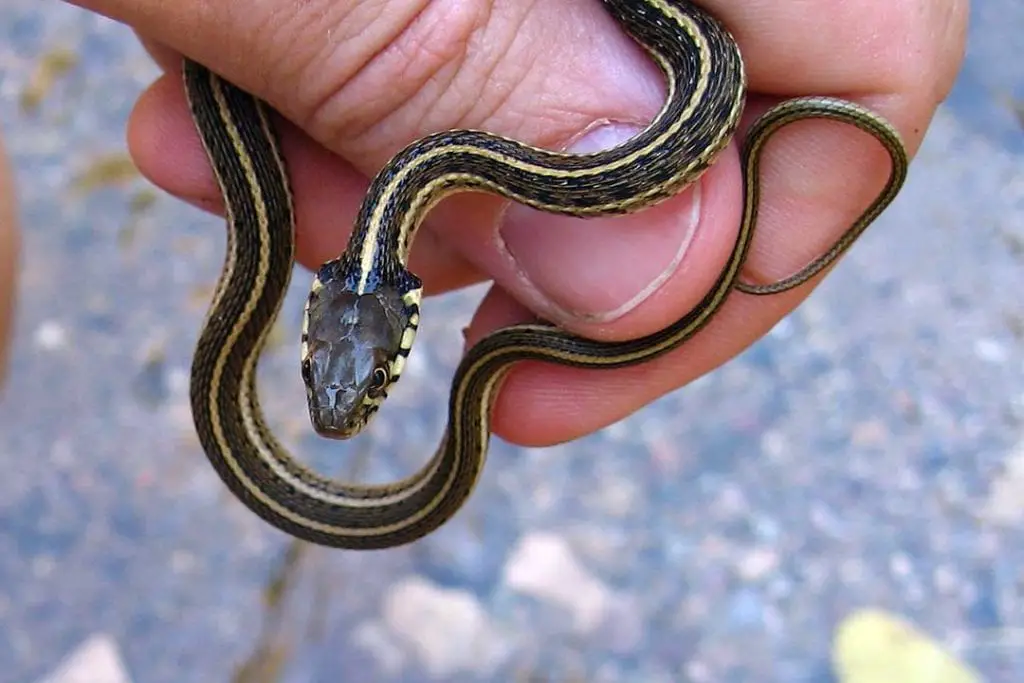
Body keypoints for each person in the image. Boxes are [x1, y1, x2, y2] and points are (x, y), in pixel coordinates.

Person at [3, 0, 966, 445]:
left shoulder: (451, 164)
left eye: (343, 372)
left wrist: (407, 46)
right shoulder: (437, 168)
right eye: (364, 374)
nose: (342, 396)